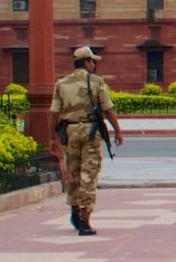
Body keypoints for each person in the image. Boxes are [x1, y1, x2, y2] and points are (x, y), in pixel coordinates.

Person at [50, 46, 124, 236]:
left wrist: (52, 138)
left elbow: (54, 113)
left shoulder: (62, 83)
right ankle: (84, 217)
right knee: (89, 173)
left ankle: (74, 210)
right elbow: (107, 109)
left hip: (69, 131)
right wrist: (117, 130)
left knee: (73, 171)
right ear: (85, 62)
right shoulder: (96, 82)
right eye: (92, 61)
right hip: (90, 131)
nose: (94, 65)